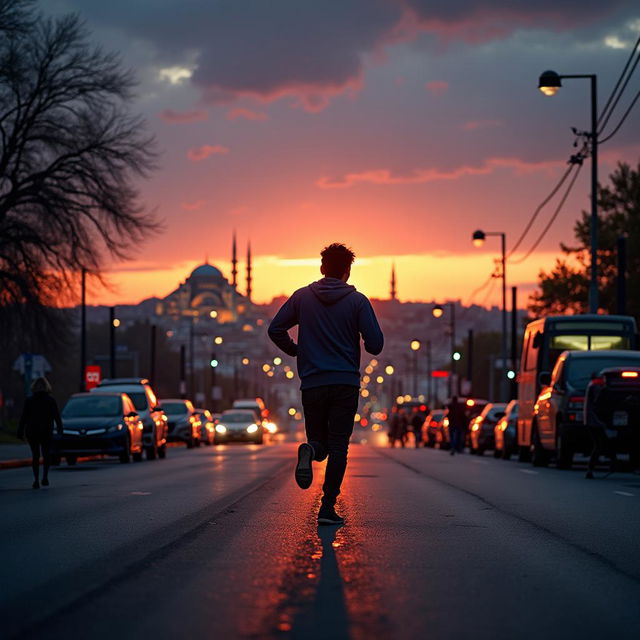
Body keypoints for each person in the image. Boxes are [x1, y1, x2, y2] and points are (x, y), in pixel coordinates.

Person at [268, 243, 384, 525]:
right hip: (345, 383)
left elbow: (275, 329)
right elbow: (376, 345)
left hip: (313, 382)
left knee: (319, 442)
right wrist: (363, 341)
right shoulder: (357, 302)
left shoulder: (302, 298)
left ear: (322, 268)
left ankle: (310, 451)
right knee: (339, 446)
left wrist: (297, 350)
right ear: (347, 272)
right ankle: (327, 506)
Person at [17, 377, 63, 489]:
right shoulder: (51, 401)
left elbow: (24, 418)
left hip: (32, 432)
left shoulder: (29, 401)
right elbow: (57, 417)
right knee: (46, 454)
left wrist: (20, 431)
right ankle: (45, 477)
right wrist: (60, 430)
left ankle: (36, 479)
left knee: (35, 455)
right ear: (47, 387)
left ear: (34, 387)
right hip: (46, 431)